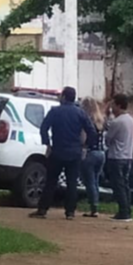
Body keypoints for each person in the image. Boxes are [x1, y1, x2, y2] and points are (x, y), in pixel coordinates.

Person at [31, 86, 97, 220]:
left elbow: (44, 127)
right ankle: (70, 212)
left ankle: (43, 209)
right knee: (72, 182)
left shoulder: (55, 111)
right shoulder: (80, 113)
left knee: (51, 181)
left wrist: (47, 144)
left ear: (64, 97)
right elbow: (91, 131)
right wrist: (85, 146)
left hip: (57, 150)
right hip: (75, 152)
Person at [104, 94, 133, 222]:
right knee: (125, 184)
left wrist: (107, 116)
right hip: (128, 155)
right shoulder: (131, 120)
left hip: (116, 156)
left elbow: (108, 139)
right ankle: (127, 209)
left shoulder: (117, 122)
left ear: (118, 105)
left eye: (113, 104)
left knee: (118, 185)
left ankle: (123, 211)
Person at [79, 97, 106, 218]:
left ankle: (93, 207)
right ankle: (96, 205)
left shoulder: (87, 121)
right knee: (95, 181)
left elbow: (83, 138)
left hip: (90, 153)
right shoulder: (100, 121)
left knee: (89, 181)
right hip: (101, 153)